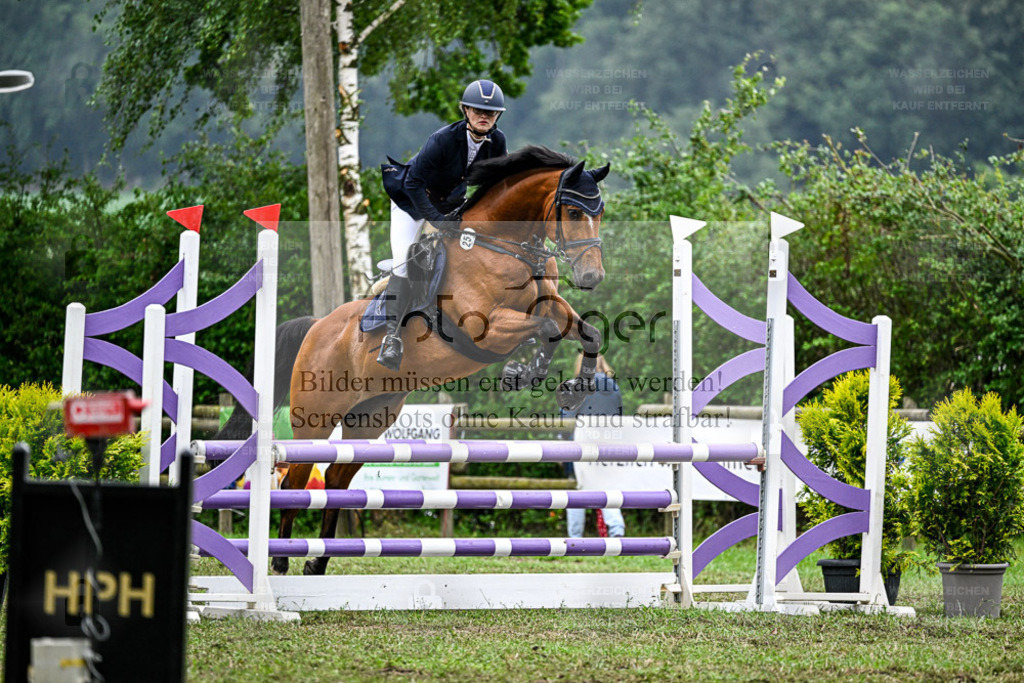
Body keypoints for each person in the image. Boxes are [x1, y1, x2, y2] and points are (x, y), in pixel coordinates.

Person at [377, 79, 509, 371]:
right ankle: (391, 338)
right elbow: (413, 183)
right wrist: (436, 221)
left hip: (449, 204)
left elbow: (496, 186)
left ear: (498, 116)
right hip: (410, 202)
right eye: (477, 110)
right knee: (403, 262)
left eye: (491, 112)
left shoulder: (497, 142)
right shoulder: (443, 139)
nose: (484, 116)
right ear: (465, 110)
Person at [562, 354, 625, 538]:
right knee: (608, 487)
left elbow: (566, 421)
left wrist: (563, 443)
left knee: (578, 488)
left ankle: (575, 537)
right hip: (608, 446)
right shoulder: (614, 386)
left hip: (580, 447)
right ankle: (616, 529)